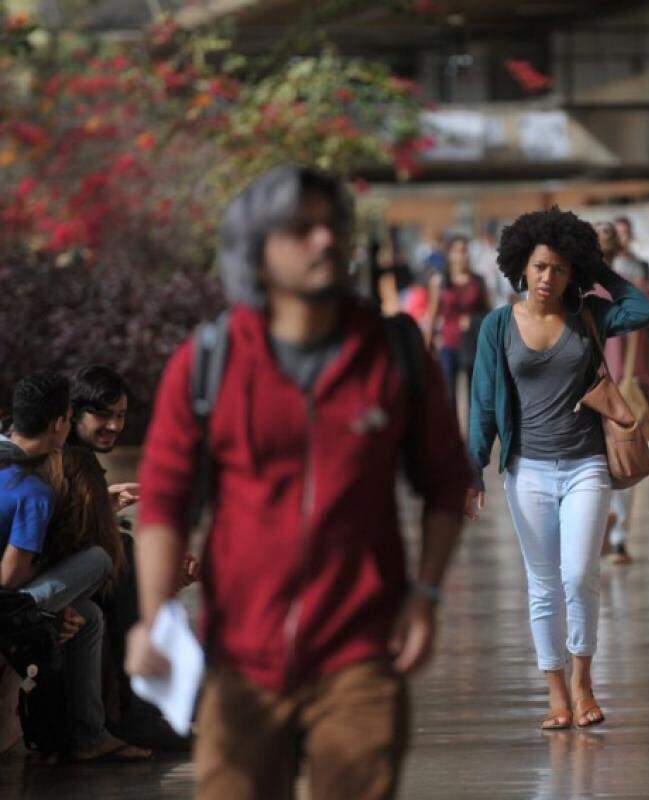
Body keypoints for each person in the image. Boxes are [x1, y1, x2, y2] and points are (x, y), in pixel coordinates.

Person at [126, 165, 472, 800]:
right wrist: (152, 616)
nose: (325, 241)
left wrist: (425, 594)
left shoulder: (391, 353)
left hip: (361, 652)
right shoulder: (209, 361)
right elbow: (165, 501)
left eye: (332, 225)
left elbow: (448, 483)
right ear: (256, 248)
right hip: (239, 658)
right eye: (301, 229)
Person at [465, 207, 649, 730]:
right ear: (521, 267)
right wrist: (473, 469)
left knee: (579, 574)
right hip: (526, 471)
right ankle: (554, 691)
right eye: (542, 266)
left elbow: (641, 310)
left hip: (586, 465)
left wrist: (597, 272)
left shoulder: (586, 316)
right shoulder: (498, 326)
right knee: (543, 584)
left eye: (561, 269)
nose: (550, 278)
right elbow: (483, 402)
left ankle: (583, 680)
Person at [0, 372, 149, 762]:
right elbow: (10, 579)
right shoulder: (31, 489)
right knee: (101, 559)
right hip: (8, 607)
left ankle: (89, 736)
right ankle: (130, 714)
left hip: (14, 599)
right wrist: (54, 596)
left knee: (89, 618)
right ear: (59, 425)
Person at [60, 365, 196, 749]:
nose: (114, 426)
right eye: (103, 414)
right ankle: (138, 711)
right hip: (52, 579)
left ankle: (153, 703)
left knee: (132, 555)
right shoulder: (69, 457)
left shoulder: (79, 455)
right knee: (127, 559)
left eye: (120, 415)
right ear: (74, 413)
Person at [594, 221, 649, 564]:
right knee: (624, 461)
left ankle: (598, 522)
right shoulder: (636, 288)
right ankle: (618, 540)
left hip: (589, 392)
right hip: (629, 391)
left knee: (594, 463)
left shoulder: (581, 293)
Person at [427, 234, 491, 413]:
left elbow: (488, 313)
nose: (462, 255)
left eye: (464, 251)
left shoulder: (478, 281)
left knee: (474, 396)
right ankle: (452, 438)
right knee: (448, 395)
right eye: (457, 251)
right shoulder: (439, 281)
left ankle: (473, 439)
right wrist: (428, 344)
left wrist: (475, 321)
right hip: (448, 343)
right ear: (449, 254)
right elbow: (432, 314)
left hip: (473, 343)